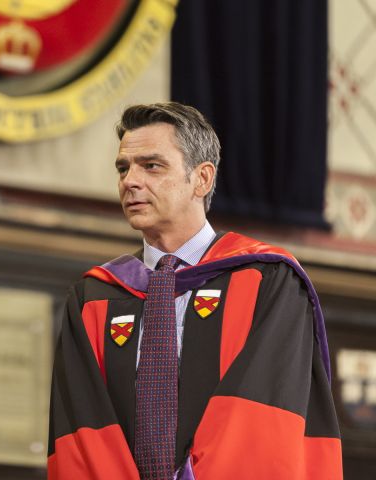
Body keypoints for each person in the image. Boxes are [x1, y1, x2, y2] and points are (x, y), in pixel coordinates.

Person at [47, 102, 343, 479]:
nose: (130, 181)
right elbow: (83, 432)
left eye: (151, 166)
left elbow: (258, 420)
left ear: (201, 179)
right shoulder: (94, 298)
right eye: (124, 168)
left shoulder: (267, 281)